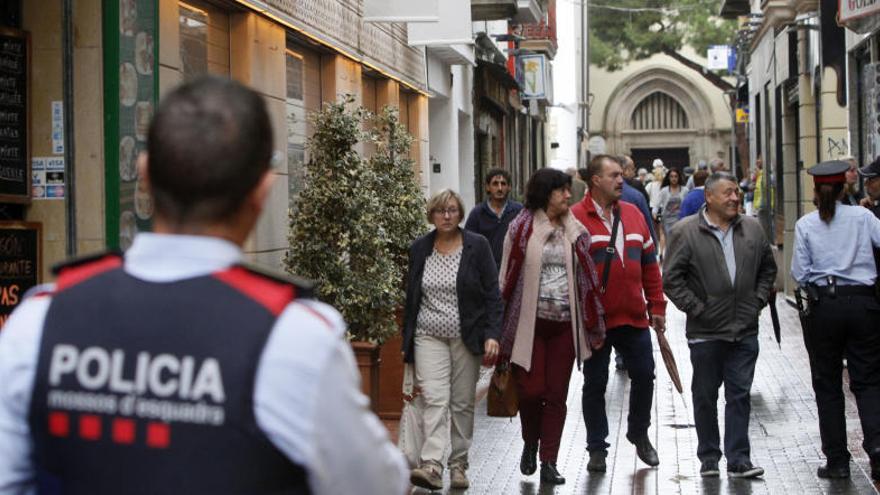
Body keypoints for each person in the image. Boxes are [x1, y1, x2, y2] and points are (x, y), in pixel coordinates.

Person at [0, 76, 408, 494]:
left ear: (143, 173)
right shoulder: (296, 339)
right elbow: (375, 485)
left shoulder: (40, 319)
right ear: (262, 190)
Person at [663, 172, 777, 479]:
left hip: (744, 330)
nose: (734, 198)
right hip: (706, 333)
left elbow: (768, 269)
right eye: (727, 193)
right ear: (709, 197)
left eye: (736, 192)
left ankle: (739, 459)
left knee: (739, 395)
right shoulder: (685, 232)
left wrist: (757, 302)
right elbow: (671, 280)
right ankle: (709, 456)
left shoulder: (752, 228)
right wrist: (698, 309)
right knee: (705, 395)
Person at [499, 168, 605, 486]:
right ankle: (530, 441)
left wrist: (592, 321)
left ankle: (549, 460)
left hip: (563, 326)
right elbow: (506, 276)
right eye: (562, 191)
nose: (568, 196)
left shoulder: (575, 230)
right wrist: (498, 325)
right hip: (529, 326)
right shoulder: (521, 228)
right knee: (531, 392)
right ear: (547, 193)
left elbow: (588, 279)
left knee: (556, 394)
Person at [402, 189, 503, 491]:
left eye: (452, 210)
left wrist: (492, 334)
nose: (446, 216)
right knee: (434, 398)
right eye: (440, 211)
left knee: (461, 404)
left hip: (466, 335)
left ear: (460, 214)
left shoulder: (477, 246)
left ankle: (458, 464)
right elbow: (412, 297)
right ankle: (432, 464)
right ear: (431, 215)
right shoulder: (420, 248)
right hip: (427, 335)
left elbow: (492, 295)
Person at [571, 155, 666, 472]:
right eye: (613, 175)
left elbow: (650, 265)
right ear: (595, 180)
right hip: (595, 320)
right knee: (595, 383)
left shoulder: (635, 214)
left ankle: (639, 431)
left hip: (634, 316)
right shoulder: (576, 218)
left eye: (621, 175)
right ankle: (597, 447)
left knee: (645, 375)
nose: (620, 179)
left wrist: (657, 306)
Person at [791, 160, 880, 481]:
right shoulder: (863, 216)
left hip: (824, 309)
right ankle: (878, 449)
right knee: (868, 381)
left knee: (828, 386)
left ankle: (838, 461)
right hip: (863, 305)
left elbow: (799, 273)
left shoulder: (806, 225)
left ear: (816, 191)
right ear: (846, 187)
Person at [464, 169, 524, 268]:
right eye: (495, 184)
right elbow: (468, 244)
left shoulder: (519, 211)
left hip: (513, 270)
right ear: (488, 187)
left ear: (509, 187)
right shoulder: (477, 213)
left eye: (503, 184)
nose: (500, 188)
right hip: (485, 271)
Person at [655, 167, 687, 240]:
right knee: (670, 239)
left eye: (676, 176)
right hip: (667, 219)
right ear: (668, 178)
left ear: (679, 177)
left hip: (680, 219)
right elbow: (657, 204)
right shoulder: (664, 190)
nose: (674, 178)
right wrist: (654, 212)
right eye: (671, 176)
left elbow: (687, 203)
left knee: (680, 239)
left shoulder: (685, 190)